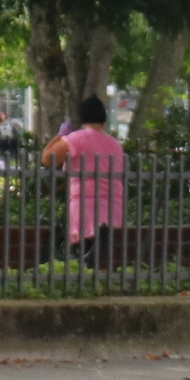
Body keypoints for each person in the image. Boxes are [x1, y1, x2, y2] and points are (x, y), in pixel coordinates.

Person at [43, 96, 127, 264]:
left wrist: (60, 136)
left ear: (82, 118)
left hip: (85, 206)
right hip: (114, 207)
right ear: (104, 119)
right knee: (107, 256)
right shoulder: (115, 145)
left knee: (84, 255)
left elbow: (47, 158)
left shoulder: (76, 138)